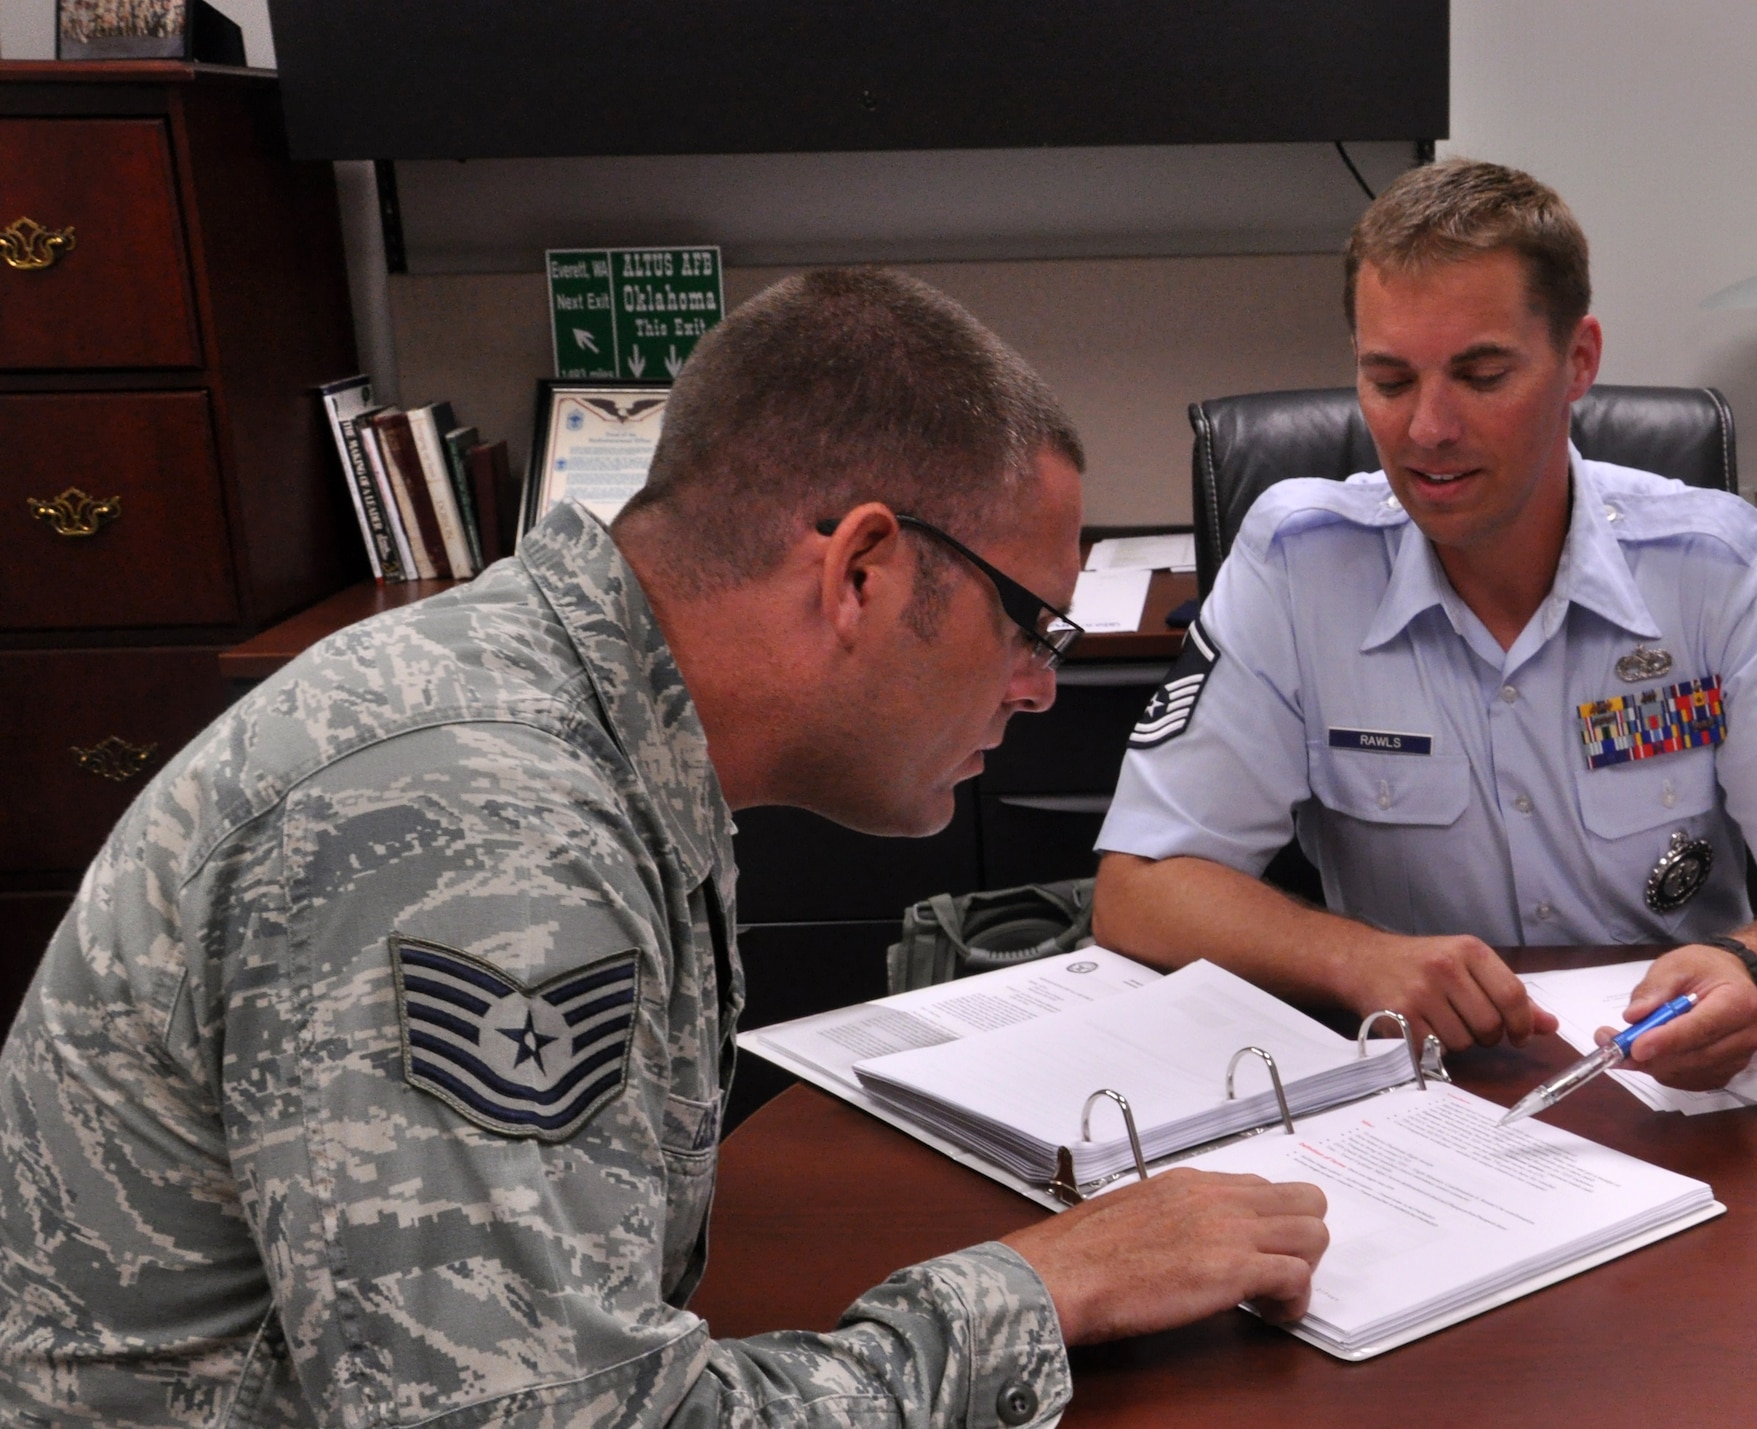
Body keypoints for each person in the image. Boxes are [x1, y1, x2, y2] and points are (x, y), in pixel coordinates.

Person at [0, 269, 1331, 1427]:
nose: (1040, 685)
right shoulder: (484, 830)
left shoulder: (575, 715)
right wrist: (1037, 1293)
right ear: (861, 567)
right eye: (1031, 622)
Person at [1094, 160, 1757, 1093]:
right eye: (1389, 380)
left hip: (1674, 1087)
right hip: (1419, 1100)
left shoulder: (1719, 567)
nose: (1428, 428)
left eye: (1482, 375)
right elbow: (1141, 889)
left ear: (1579, 362)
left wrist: (1755, 972)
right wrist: (1355, 957)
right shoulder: (1298, 563)